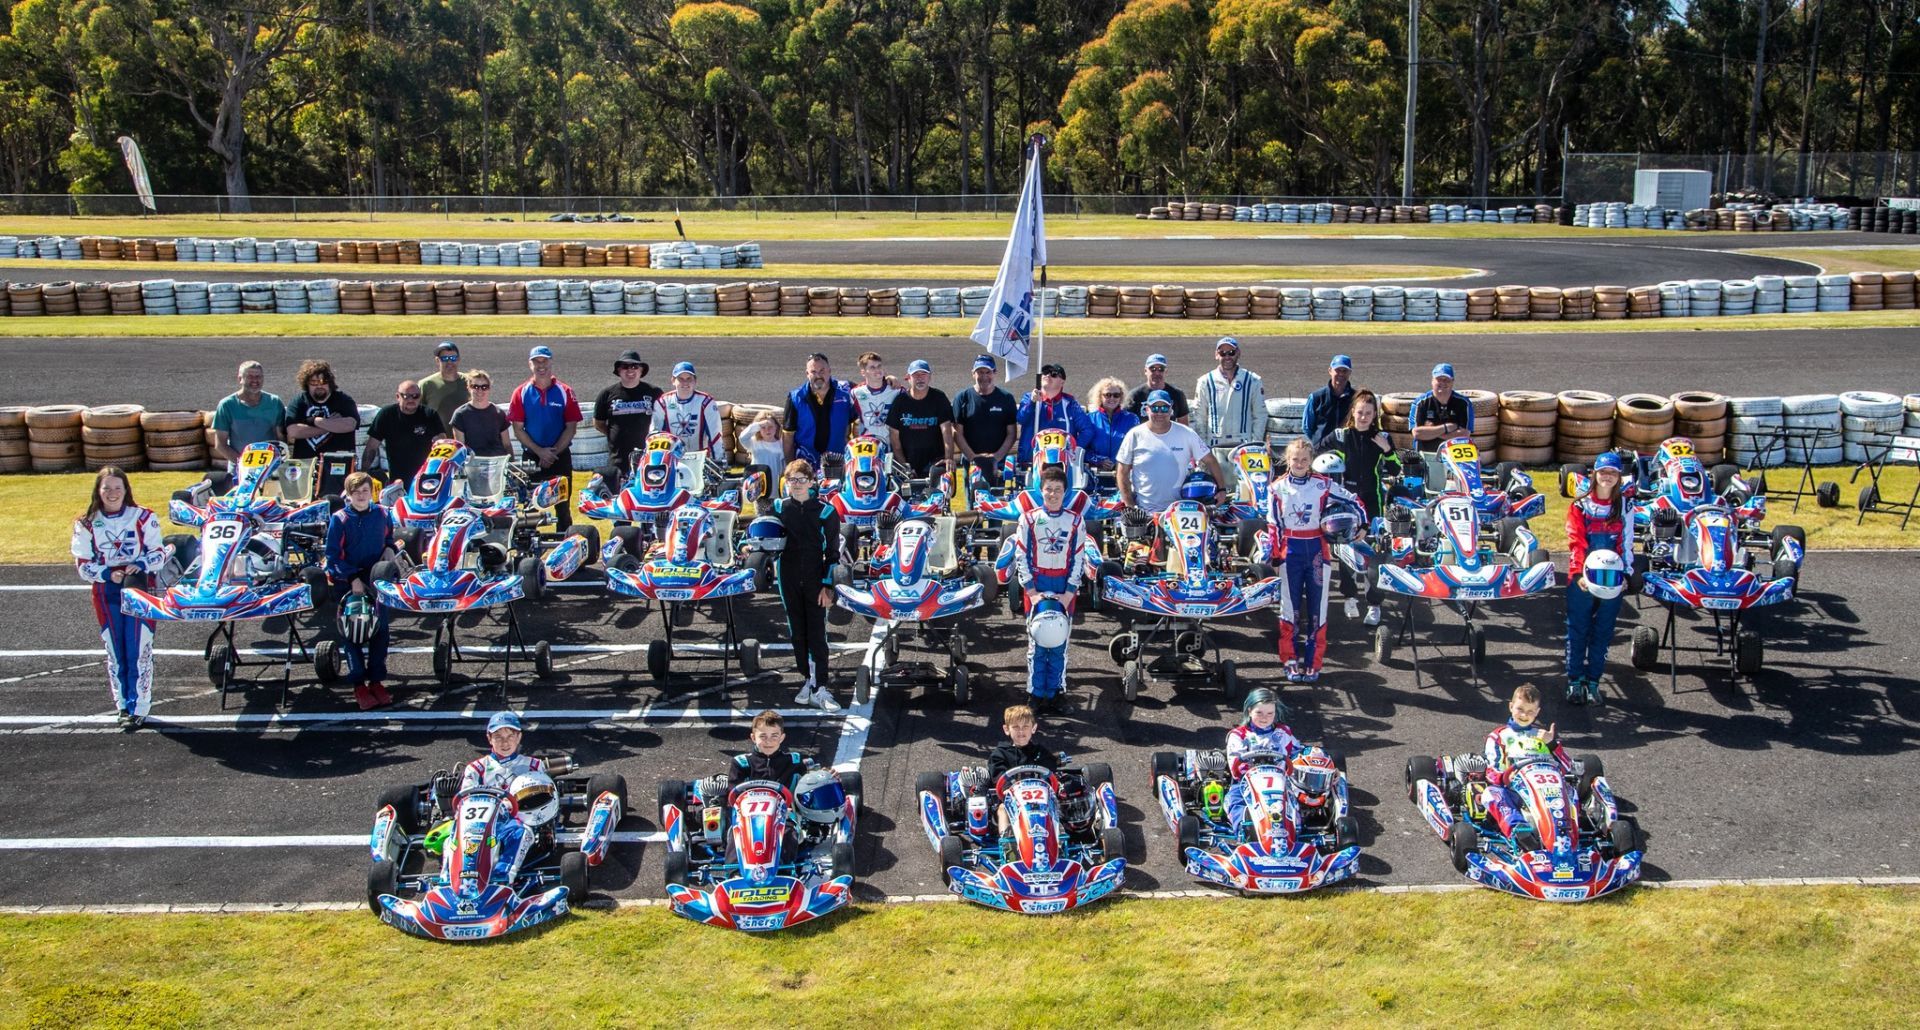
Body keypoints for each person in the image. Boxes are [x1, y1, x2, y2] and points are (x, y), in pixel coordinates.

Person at [72, 467, 165, 729]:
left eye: (117, 488)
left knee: (138, 648)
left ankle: (140, 706)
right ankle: (123, 705)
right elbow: (82, 565)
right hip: (106, 590)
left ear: (126, 490)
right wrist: (106, 573)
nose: (112, 493)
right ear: (98, 491)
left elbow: (159, 553)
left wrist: (141, 564)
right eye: (107, 488)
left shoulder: (144, 516)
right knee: (115, 650)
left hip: (139, 587)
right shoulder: (85, 523)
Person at [1267, 438, 1359, 683]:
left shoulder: (1323, 484)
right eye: (1295, 459)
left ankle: (1313, 663)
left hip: (1318, 548)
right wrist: (1274, 556)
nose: (1299, 463)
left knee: (1318, 609)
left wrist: (1362, 525)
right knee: (1290, 609)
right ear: (1287, 460)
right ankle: (1289, 660)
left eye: (1304, 460)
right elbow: (1273, 525)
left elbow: (1354, 501)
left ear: (1311, 461)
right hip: (1290, 551)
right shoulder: (1276, 488)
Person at [1316, 389, 1394, 626]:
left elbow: (1396, 469)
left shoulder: (1382, 437)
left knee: (1374, 554)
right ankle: (1350, 597)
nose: (1363, 417)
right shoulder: (1340, 436)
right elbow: (1316, 454)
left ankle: (1374, 605)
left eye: (1368, 413)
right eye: (1360, 412)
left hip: (1373, 503)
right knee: (1346, 549)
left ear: (1374, 415)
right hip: (1346, 502)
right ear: (1353, 412)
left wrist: (1388, 450)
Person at [1013, 468, 1087, 712]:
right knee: (1037, 643)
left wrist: (1069, 592)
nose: (1053, 494)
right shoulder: (1028, 519)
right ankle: (1035, 694)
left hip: (1064, 585)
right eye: (1048, 489)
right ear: (1040, 490)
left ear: (1065, 492)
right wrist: (1031, 591)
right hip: (1037, 584)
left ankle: (1056, 693)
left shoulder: (1075, 520)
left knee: (1059, 642)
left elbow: (1079, 557)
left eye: (1058, 490)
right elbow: (1021, 555)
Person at [771, 459, 843, 711]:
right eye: (792, 480)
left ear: (812, 482)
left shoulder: (826, 512)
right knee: (796, 632)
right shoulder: (779, 507)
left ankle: (820, 686)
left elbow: (833, 553)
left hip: (815, 577)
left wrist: (828, 585)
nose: (797, 484)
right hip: (787, 576)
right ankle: (806, 679)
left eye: (802, 480)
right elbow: (761, 534)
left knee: (816, 632)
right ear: (786, 482)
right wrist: (747, 547)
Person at [1565, 452, 1633, 705]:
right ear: (1595, 474)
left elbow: (1626, 541)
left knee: (1603, 632)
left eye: (1613, 473)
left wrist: (1626, 574)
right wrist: (1578, 574)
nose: (1607, 476)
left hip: (1613, 577)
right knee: (1577, 630)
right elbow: (1575, 541)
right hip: (1582, 578)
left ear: (1619, 477)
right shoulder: (1580, 505)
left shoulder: (1625, 505)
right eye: (1603, 471)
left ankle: (1593, 682)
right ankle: (1574, 682)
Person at [326, 471, 396, 711]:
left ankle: (376, 681)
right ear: (348, 494)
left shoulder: (383, 513)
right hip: (349, 583)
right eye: (355, 492)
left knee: (380, 631)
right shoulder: (339, 519)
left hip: (377, 579)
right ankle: (359, 685)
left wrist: (389, 549)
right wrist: (352, 578)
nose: (361, 495)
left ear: (372, 492)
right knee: (353, 632)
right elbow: (332, 556)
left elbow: (389, 539)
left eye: (365, 490)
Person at [1477, 684, 1575, 850]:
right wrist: (1505, 776)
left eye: (1530, 711)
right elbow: (1491, 770)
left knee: (1572, 791)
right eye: (1520, 709)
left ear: (1537, 712)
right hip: (1515, 792)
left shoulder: (1543, 736)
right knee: (1491, 794)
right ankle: (1520, 832)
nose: (1524, 715)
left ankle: (1569, 834)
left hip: (1549, 789)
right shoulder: (1499, 736)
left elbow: (1567, 766)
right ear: (1511, 707)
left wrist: (1552, 744)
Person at [508, 345, 582, 531]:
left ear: (551, 362)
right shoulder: (521, 392)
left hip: (560, 456)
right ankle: (529, 545)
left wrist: (551, 453)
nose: (541, 365)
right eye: (537, 362)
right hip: (532, 458)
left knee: (563, 507)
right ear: (530, 364)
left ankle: (564, 540)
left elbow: (571, 427)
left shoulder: (565, 391)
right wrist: (540, 452)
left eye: (544, 361)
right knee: (530, 508)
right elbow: (518, 429)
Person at [1115, 390, 1222, 513]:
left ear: (1171, 410)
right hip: (1144, 511)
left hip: (1180, 511)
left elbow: (1210, 460)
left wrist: (1222, 489)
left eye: (1164, 408)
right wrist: (1129, 504)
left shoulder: (1187, 433)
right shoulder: (1134, 435)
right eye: (1155, 408)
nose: (1159, 413)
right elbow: (1122, 472)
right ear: (1147, 409)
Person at [1191, 337, 1268, 487]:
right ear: (1216, 355)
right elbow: (1199, 416)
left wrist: (1254, 444)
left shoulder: (1252, 380)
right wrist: (1203, 447)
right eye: (1223, 353)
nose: (1227, 357)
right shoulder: (1205, 381)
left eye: (1231, 352)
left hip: (1243, 446)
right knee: (1217, 491)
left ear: (1238, 353)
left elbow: (1260, 415)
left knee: (1244, 490)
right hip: (1215, 446)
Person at [1223, 688, 1303, 832]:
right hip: (1246, 784)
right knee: (1235, 801)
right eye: (1259, 713)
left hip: (1281, 783)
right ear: (1249, 711)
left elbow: (1299, 753)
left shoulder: (1283, 732)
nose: (1264, 718)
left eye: (1270, 713)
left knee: (1300, 799)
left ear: (1275, 713)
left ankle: (1293, 830)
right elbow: (1236, 768)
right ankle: (1245, 829)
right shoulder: (1239, 735)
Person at [361, 379, 446, 486]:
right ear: (398, 396)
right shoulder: (386, 415)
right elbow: (371, 447)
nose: (411, 400)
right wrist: (363, 473)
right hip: (397, 479)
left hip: (426, 477)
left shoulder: (430, 415)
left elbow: (442, 443)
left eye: (415, 396)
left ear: (420, 397)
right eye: (406, 396)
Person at [593, 349, 662, 477]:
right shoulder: (606, 394)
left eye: (635, 366)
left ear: (641, 370)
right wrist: (614, 434)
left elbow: (663, 420)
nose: (630, 370)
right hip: (618, 458)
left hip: (649, 456)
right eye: (625, 366)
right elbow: (598, 423)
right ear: (619, 370)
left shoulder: (654, 392)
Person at [783, 352, 859, 467]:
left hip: (840, 463)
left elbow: (870, 391)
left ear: (829, 371)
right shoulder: (795, 398)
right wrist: (790, 468)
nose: (818, 375)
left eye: (822, 371)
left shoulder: (847, 390)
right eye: (813, 372)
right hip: (805, 467)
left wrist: (885, 380)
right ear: (807, 374)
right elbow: (788, 437)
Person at [953, 356, 1020, 487]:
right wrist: (973, 457)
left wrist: (995, 458)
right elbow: (957, 433)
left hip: (998, 462)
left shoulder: (1006, 398)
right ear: (973, 373)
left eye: (988, 372)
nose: (984, 376)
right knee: (972, 498)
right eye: (980, 372)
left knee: (997, 497)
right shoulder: (962, 398)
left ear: (995, 373)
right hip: (971, 462)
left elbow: (1011, 433)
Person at [1014, 363, 1095, 467]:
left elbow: (1087, 430)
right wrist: (1032, 402)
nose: (1048, 375)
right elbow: (1021, 419)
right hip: (1030, 462)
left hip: (1063, 464)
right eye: (1045, 372)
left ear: (1062, 381)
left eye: (1053, 374)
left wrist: (1073, 449)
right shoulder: (1028, 398)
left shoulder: (1070, 404)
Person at [210, 360, 285, 471]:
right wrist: (244, 464)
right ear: (240, 379)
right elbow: (220, 444)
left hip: (269, 468)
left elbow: (281, 439)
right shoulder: (227, 405)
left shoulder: (274, 402)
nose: (255, 380)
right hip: (239, 469)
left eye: (258, 377)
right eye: (250, 376)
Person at [885, 359, 954, 478]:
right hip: (908, 462)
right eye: (916, 375)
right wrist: (903, 465)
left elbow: (947, 431)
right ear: (908, 378)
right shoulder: (900, 401)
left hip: (935, 461)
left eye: (923, 374)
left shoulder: (939, 398)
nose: (920, 378)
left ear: (930, 377)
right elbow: (894, 437)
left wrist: (948, 458)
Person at [650, 361, 726, 467]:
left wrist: (719, 461)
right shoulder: (663, 402)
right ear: (673, 381)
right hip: (671, 460)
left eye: (689, 379)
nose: (685, 383)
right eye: (680, 379)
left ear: (695, 381)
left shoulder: (706, 402)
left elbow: (715, 434)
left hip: (700, 459)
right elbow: (655, 434)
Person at [282, 359, 359, 461]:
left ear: (330, 382)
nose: (319, 386)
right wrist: (330, 425)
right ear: (306, 383)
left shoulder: (343, 400)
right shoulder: (299, 401)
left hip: (338, 462)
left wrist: (314, 421)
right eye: (313, 382)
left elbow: (351, 424)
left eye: (323, 382)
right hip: (306, 463)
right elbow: (293, 432)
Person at [460, 711, 549, 792]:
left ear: (519, 737)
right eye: (498, 737)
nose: (505, 742)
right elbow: (465, 800)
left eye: (510, 736)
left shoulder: (534, 766)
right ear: (489, 738)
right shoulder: (476, 769)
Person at [729, 710, 812, 788]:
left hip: (785, 799)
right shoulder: (741, 763)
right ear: (753, 738)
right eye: (763, 736)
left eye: (774, 736)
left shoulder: (794, 761)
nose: (768, 741)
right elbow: (732, 792)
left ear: (781, 738)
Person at [1410, 362, 1472, 452]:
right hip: (1425, 453)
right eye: (1439, 379)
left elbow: (1465, 435)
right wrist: (1446, 428)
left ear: (1452, 382)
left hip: (1454, 454)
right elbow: (1417, 433)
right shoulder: (1420, 403)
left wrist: (1431, 431)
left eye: (1446, 380)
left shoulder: (1464, 403)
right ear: (1432, 381)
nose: (1443, 383)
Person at [448, 370, 511, 457]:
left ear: (489, 388)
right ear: (469, 388)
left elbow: (507, 445)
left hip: (497, 461)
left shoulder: (499, 413)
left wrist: (512, 462)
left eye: (484, 387)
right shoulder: (460, 414)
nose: (480, 390)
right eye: (475, 387)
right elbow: (460, 448)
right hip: (472, 461)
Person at [1084, 376, 1140, 469]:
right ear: (1100, 396)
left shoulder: (1132, 419)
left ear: (1121, 397)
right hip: (1095, 473)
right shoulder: (1089, 419)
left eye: (1116, 395)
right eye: (1107, 395)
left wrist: (1119, 461)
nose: (1112, 398)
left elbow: (1137, 448)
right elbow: (1080, 449)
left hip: (1123, 471)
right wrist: (1098, 460)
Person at [1301, 354, 1356, 444]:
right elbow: (1307, 427)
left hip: (1348, 448)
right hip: (1322, 449)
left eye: (1345, 371)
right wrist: (1318, 441)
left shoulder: (1356, 398)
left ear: (1350, 372)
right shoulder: (1316, 397)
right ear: (1330, 371)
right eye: (1338, 370)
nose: (1341, 374)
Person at [849, 351, 900, 440]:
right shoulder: (855, 393)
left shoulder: (896, 390)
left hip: (892, 442)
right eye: (872, 367)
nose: (877, 370)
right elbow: (847, 417)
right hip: (867, 442)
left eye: (879, 366)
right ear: (863, 372)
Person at [418, 341, 471, 423]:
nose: (449, 362)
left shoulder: (471, 382)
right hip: (437, 431)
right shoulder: (426, 385)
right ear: (437, 360)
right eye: (445, 358)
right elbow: (418, 413)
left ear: (458, 359)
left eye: (453, 358)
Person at [1129, 354, 1190, 424]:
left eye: (1161, 369)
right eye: (1152, 369)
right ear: (1145, 371)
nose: (1157, 373)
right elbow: (1126, 422)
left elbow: (1183, 423)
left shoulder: (1177, 394)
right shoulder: (1134, 396)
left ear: (1166, 371)